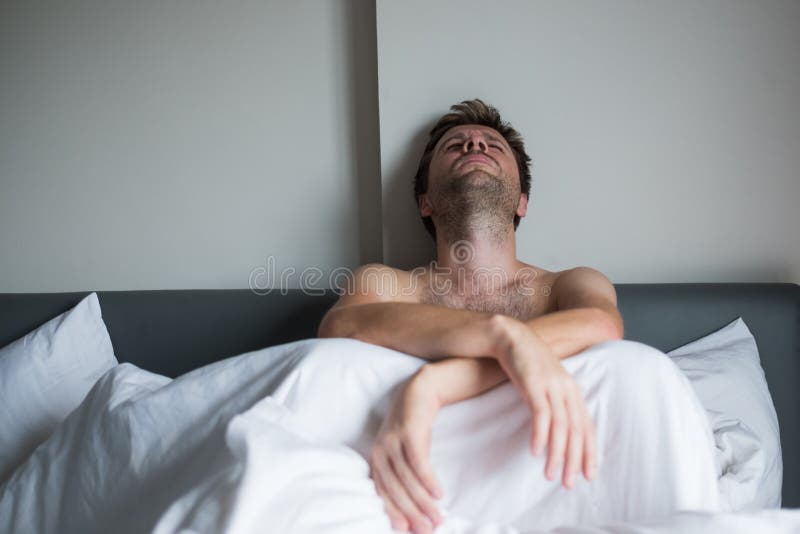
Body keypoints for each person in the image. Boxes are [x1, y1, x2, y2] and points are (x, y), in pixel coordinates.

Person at [317, 99, 625, 534]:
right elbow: (338, 329)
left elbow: (602, 325)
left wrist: (434, 384)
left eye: (492, 145)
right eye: (455, 145)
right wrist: (505, 339)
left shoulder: (567, 284)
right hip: (416, 484)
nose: (474, 142)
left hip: (541, 474)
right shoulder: (387, 285)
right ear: (425, 202)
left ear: (521, 202)